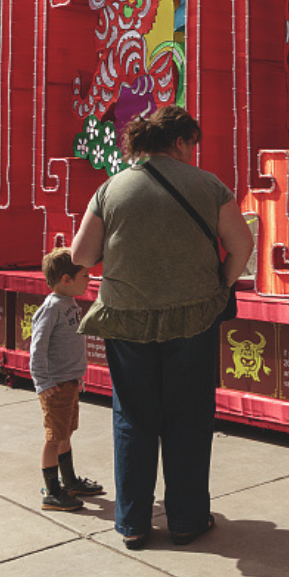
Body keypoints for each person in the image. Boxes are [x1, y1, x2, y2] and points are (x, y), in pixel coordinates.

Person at [71, 106, 254, 550]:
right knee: (188, 418)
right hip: (192, 317)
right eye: (191, 143)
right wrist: (220, 285)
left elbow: (81, 255)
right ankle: (187, 520)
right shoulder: (208, 185)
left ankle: (132, 522)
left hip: (127, 319)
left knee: (133, 418)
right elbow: (242, 244)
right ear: (178, 142)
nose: (193, 152)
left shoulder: (112, 188)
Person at [31, 247, 104, 511]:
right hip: (56, 386)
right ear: (66, 279)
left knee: (66, 433)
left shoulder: (69, 303)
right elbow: (37, 348)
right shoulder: (51, 309)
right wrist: (43, 383)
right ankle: (52, 492)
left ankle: (70, 481)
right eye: (85, 275)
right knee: (54, 437)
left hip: (70, 382)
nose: (89, 280)